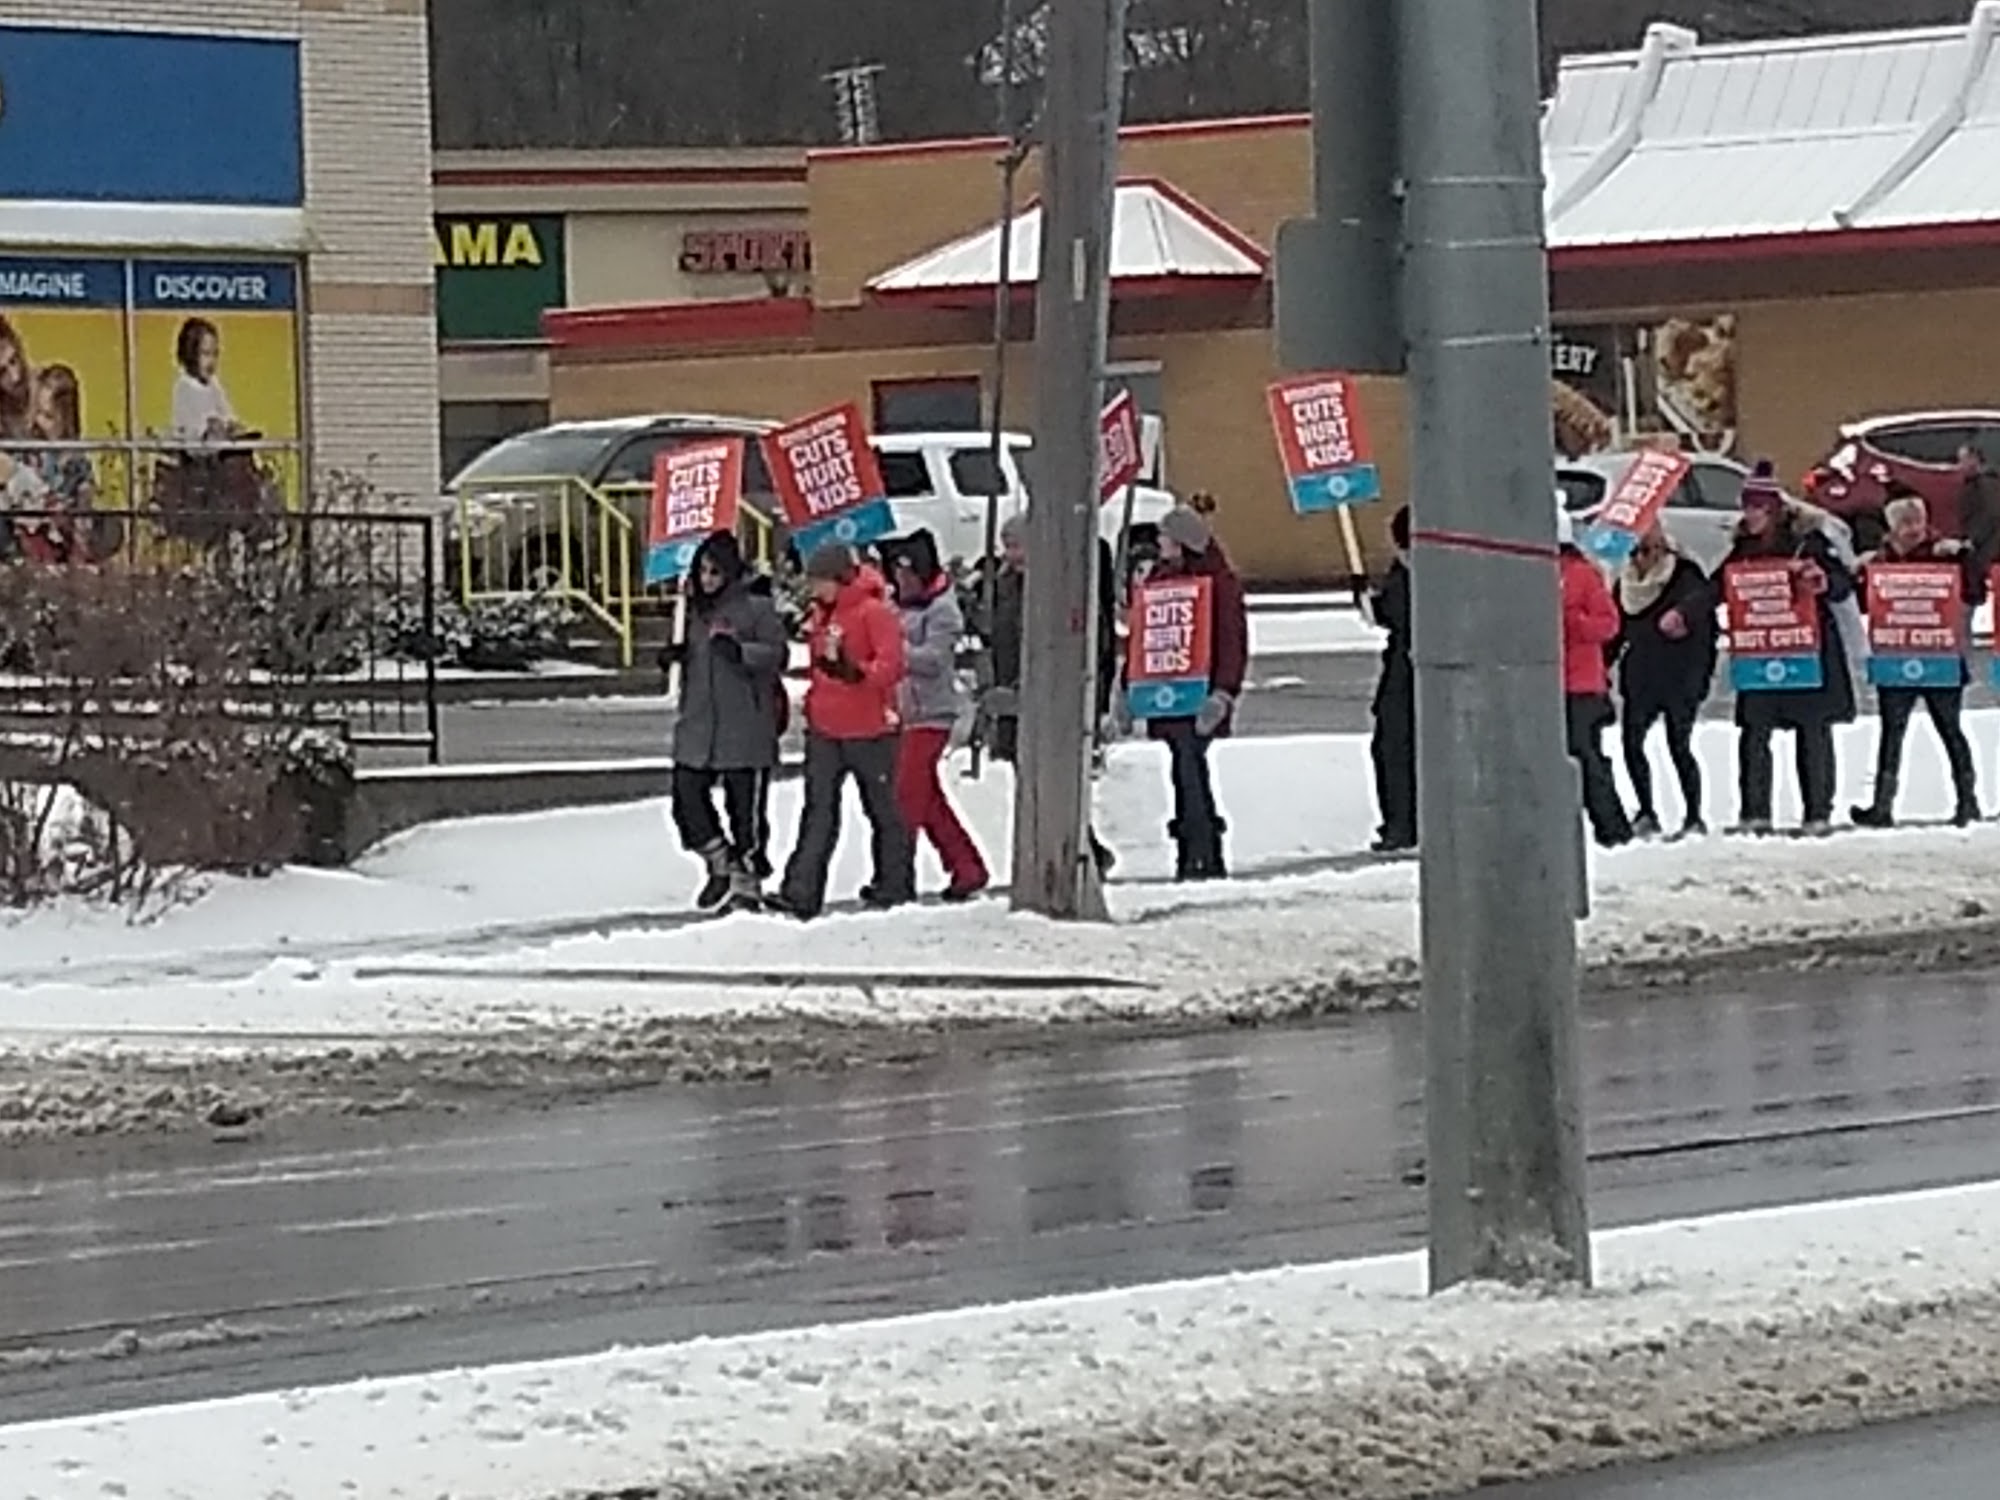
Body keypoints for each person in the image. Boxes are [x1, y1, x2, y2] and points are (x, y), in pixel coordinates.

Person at [1666, 470, 1857, 834]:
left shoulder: (1808, 541)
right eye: (1747, 508)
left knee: (1812, 731)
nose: (1750, 515)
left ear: (1774, 510)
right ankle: (1755, 812)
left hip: (1807, 652)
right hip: (1760, 653)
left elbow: (1843, 583)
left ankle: (1817, 812)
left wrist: (1821, 580)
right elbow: (1718, 586)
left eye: (1757, 508)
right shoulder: (1744, 548)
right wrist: (1684, 612)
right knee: (1754, 731)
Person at [773, 542, 913, 919]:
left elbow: (892, 666)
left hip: (870, 728)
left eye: (820, 582)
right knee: (818, 811)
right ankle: (801, 891)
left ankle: (894, 883)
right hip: (826, 727)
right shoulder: (822, 613)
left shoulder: (874, 612)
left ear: (840, 579)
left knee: (882, 810)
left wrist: (856, 672)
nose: (814, 589)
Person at [664, 531, 790, 910]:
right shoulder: (692, 612)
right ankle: (719, 859)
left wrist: (740, 652)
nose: (707, 580)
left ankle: (746, 880)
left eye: (715, 572)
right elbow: (694, 659)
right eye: (702, 571)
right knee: (687, 801)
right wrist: (676, 656)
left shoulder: (756, 607)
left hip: (744, 725)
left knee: (745, 813)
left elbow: (777, 655)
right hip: (699, 724)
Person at [1851, 493, 1982, 828]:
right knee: (1891, 734)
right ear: (1892, 527)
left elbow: (1975, 593)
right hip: (1895, 655)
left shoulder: (1944, 555)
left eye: (1918, 521)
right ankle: (1882, 805)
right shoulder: (1881, 560)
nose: (1914, 529)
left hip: (1940, 654)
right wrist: (1861, 574)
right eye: (1906, 523)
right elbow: (1865, 604)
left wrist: (1965, 559)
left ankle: (1968, 801)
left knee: (1950, 729)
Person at [1147, 506, 1248, 880]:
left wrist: (1223, 692)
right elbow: (1149, 636)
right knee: (1182, 766)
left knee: (1190, 766)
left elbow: (1231, 641)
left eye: (1165, 536)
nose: (1159, 542)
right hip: (1167, 690)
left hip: (1202, 692)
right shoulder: (1160, 578)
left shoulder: (1218, 582)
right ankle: (1194, 848)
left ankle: (1202, 848)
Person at [888, 529, 989, 900]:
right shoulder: (898, 605)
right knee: (929, 799)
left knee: (908, 795)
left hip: (932, 713)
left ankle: (897, 872)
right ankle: (966, 867)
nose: (901, 581)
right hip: (905, 711)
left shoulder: (942, 610)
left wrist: (894, 651)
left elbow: (934, 660)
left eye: (908, 574)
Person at [1613, 521, 1716, 838]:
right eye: (1636, 552)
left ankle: (1694, 815)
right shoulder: (1626, 583)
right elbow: (1617, 630)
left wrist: (1701, 674)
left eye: (1648, 550)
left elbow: (1705, 624)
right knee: (1631, 742)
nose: (1641, 558)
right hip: (1640, 673)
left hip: (1680, 672)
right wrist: (1604, 663)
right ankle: (1646, 810)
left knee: (1678, 744)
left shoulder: (1685, 575)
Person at [1558, 511, 1633, 848]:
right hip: (1545, 684)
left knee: (1586, 756)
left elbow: (1608, 625)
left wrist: (1574, 622)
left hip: (1582, 685)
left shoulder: (1582, 575)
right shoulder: (1525, 576)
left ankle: (1612, 828)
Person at [1367, 506, 1416, 853]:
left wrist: (1379, 608)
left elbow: (1403, 616)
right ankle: (1401, 822)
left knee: (1396, 750)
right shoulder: (1405, 571)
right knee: (1393, 749)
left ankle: (1402, 823)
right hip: (1401, 672)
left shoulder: (1414, 573)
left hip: (1406, 674)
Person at [170, 318, 243, 445]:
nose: (211, 361)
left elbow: (226, 413)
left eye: (215, 354)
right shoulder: (184, 387)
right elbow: (190, 431)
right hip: (198, 453)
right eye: (205, 354)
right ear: (190, 354)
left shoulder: (214, 385)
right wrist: (209, 428)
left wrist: (231, 425)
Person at [1956, 442, 2000, 574]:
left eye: (1962, 460)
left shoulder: (1986, 484)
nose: (1959, 466)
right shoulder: (1974, 484)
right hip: (1981, 549)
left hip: (1986, 551)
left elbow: (1992, 514)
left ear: (1973, 460)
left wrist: (1973, 540)